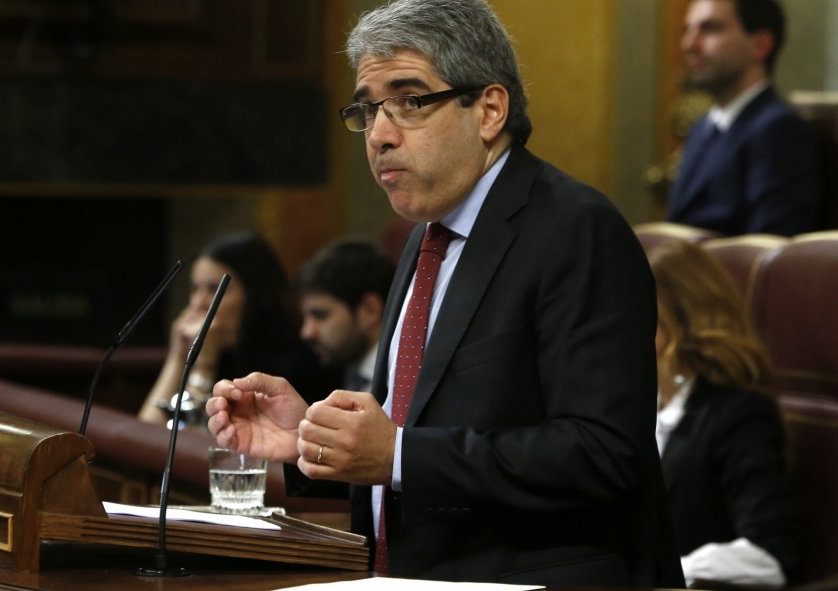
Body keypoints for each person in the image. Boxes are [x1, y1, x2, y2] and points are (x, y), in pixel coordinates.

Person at [207, 0, 683, 585]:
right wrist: (317, 439)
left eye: (409, 101)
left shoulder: (576, 229)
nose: (379, 136)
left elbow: (605, 453)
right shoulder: (426, 239)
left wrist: (399, 455)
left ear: (487, 110)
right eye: (367, 109)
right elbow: (425, 424)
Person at [650, 239, 797, 588]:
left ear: (678, 318)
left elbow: (770, 552)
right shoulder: (636, 405)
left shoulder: (739, 414)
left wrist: (663, 573)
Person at [138, 233, 337, 425]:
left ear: (254, 297)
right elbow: (147, 434)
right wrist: (178, 357)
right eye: (196, 288)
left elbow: (190, 442)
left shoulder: (296, 366)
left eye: (215, 290)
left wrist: (204, 364)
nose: (199, 303)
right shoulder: (222, 352)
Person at [666, 0, 821, 236]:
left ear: (760, 45)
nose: (688, 44)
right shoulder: (702, 127)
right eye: (687, 30)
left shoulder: (778, 129)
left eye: (709, 29)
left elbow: (769, 249)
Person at [296, 239, 395, 393]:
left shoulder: (401, 384)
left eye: (320, 316)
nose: (307, 332)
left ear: (370, 310)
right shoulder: (352, 374)